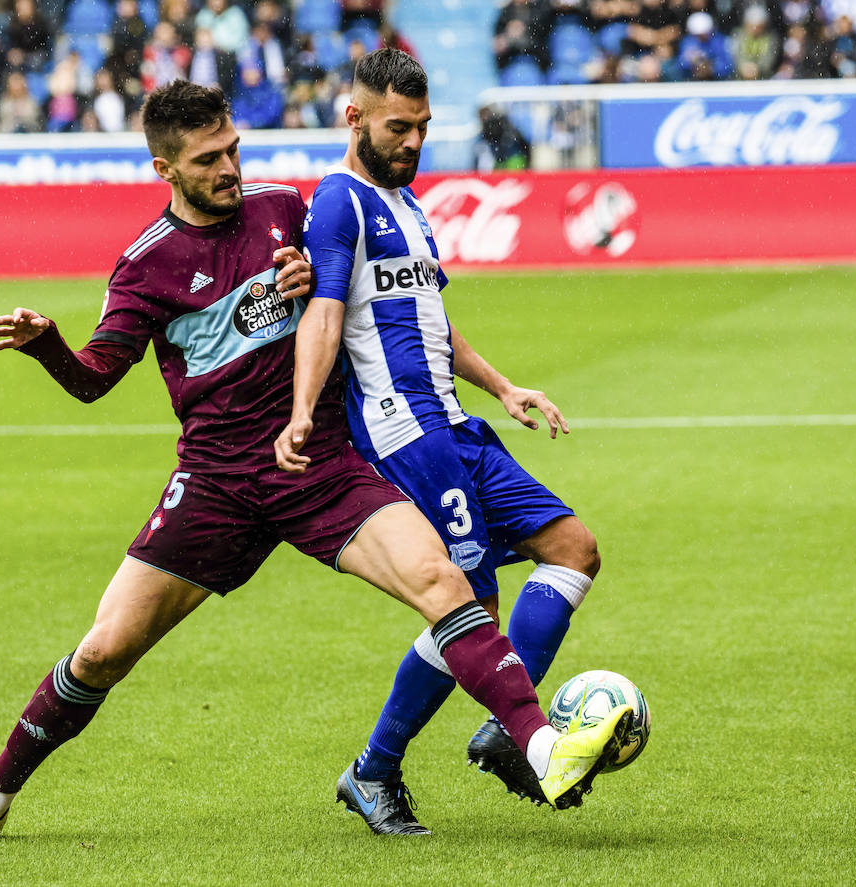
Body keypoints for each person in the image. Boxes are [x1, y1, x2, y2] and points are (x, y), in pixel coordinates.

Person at [0, 79, 632, 844]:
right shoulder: (147, 266)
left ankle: (541, 747)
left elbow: (345, 293)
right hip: (217, 483)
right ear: (166, 171)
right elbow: (93, 381)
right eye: (208, 159)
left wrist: (314, 281)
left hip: (320, 464)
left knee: (444, 581)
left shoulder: (288, 207)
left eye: (232, 149)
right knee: (103, 649)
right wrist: (50, 345)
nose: (229, 168)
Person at [274, 48, 613, 835]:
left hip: (460, 423)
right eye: (400, 127)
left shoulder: (408, 203)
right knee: (468, 608)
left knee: (574, 547)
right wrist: (300, 412)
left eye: (423, 127)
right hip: (406, 434)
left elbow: (430, 317)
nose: (414, 142)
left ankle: (504, 725)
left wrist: (503, 386)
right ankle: (376, 769)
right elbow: (325, 313)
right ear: (353, 117)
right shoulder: (338, 205)